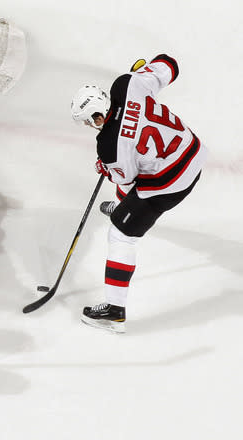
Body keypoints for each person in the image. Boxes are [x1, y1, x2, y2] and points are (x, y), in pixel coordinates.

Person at [70, 54, 207, 333]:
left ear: (97, 114)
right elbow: (169, 65)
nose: (91, 125)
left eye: (89, 120)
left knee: (121, 233)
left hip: (170, 183)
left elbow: (128, 178)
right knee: (133, 185)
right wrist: (143, 73)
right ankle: (123, 208)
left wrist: (105, 168)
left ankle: (114, 310)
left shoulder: (109, 146)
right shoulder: (126, 84)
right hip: (193, 151)